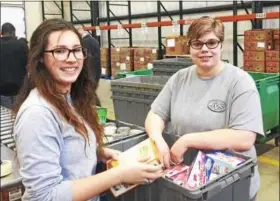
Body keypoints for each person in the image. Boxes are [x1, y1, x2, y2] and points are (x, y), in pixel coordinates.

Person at [12, 19, 163, 201]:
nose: (71, 58)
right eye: (59, 51)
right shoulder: (37, 114)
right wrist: (119, 175)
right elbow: (45, 196)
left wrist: (98, 152)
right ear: (41, 58)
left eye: (76, 50)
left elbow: (66, 146)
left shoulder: (70, 98)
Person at [145, 16, 263, 201]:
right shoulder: (179, 78)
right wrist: (157, 139)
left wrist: (188, 140)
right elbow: (155, 114)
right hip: (190, 181)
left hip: (229, 183)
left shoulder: (240, 82)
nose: (204, 49)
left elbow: (245, 137)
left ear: (221, 45)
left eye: (211, 43)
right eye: (197, 44)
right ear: (190, 47)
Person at [0, 22, 28, 108]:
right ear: (13, 32)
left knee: (5, 116)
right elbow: (29, 65)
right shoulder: (22, 45)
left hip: (2, 89)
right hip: (20, 88)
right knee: (19, 113)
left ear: (1, 32)